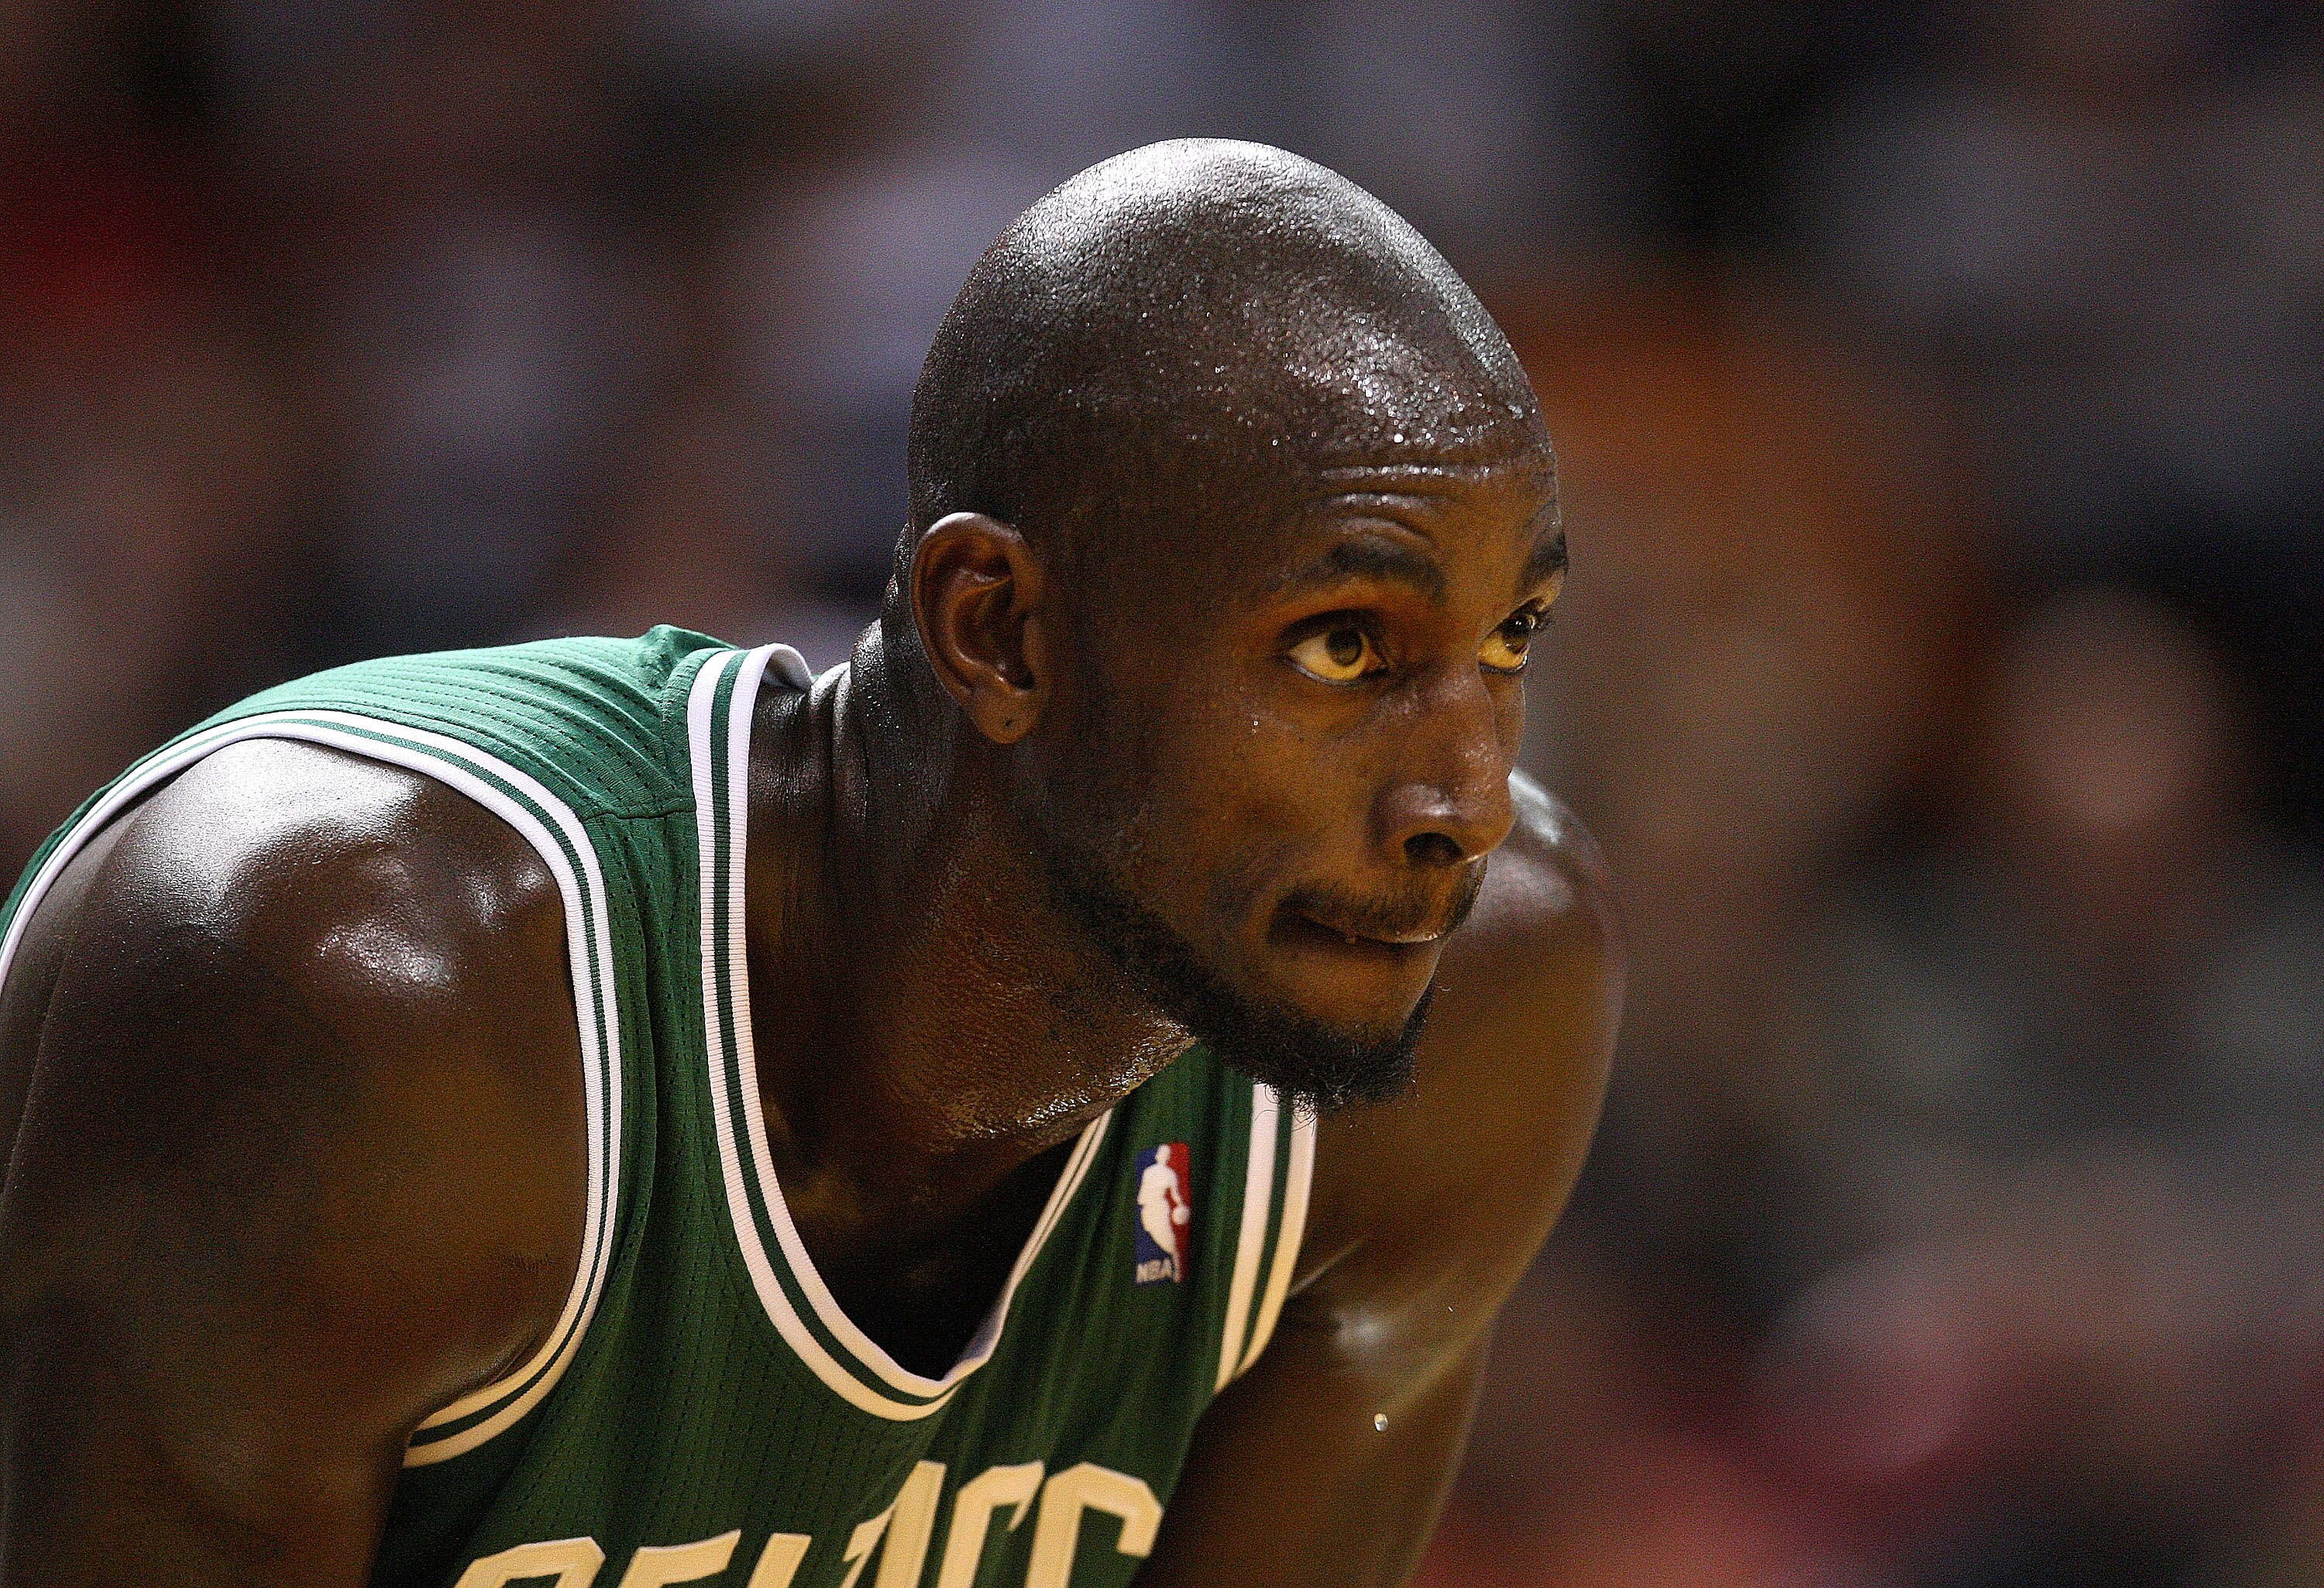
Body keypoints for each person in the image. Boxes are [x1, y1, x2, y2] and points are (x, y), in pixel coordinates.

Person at [0, 140, 1619, 1588]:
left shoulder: (1481, 1010)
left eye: (1510, 636)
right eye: (1346, 646)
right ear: (997, 630)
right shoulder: (373, 1001)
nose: (1464, 795)